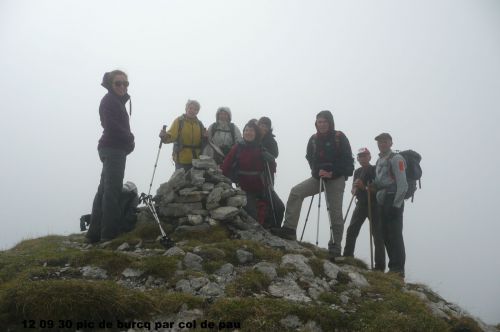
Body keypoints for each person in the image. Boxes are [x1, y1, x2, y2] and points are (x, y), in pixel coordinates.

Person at [272, 110, 354, 259]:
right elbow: (310, 158)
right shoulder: (314, 140)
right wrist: (317, 172)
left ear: (330, 122)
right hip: (319, 178)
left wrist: (332, 173)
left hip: (336, 179)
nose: (321, 124)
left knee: (335, 212)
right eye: (319, 122)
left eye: (324, 121)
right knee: (296, 192)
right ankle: (289, 229)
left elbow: (348, 162)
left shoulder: (339, 137)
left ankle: (335, 245)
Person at [86, 70, 135, 243]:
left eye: (125, 83)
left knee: (104, 191)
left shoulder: (116, 101)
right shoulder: (109, 101)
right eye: (118, 83)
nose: (122, 86)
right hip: (113, 150)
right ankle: (109, 235)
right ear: (110, 84)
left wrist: (128, 143)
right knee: (112, 192)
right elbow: (110, 125)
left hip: (112, 149)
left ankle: (93, 234)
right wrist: (130, 138)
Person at [221, 120, 280, 226]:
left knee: (279, 207)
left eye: (251, 130)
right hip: (245, 188)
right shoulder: (237, 148)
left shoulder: (261, 148)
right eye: (246, 130)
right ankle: (260, 234)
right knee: (253, 215)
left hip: (262, 187)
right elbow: (226, 164)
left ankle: (275, 231)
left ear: (256, 133)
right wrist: (221, 179)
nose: (248, 132)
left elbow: (271, 167)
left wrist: (271, 161)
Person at [343, 148, 385, 271]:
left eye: (364, 156)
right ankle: (348, 256)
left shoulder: (375, 169)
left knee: (377, 235)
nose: (362, 158)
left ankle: (380, 266)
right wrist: (354, 189)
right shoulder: (357, 171)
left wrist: (364, 187)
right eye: (360, 156)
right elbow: (353, 189)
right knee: (352, 230)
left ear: (369, 157)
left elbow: (379, 189)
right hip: (361, 203)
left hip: (374, 204)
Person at [372, 133, 408, 277]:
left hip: (393, 199)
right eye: (380, 142)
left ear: (391, 143)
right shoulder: (380, 160)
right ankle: (393, 267)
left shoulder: (396, 158)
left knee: (395, 234)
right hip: (382, 199)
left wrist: (396, 205)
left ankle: (398, 269)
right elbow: (380, 181)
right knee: (385, 234)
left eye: (385, 141)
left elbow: (403, 184)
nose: (382, 144)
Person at [159, 100, 206, 171]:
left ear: (197, 112)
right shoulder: (179, 121)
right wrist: (165, 136)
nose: (192, 111)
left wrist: (206, 137)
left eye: (195, 109)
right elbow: (172, 135)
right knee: (181, 181)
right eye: (190, 108)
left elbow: (204, 140)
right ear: (186, 109)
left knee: (195, 181)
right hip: (181, 159)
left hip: (196, 160)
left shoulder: (199, 124)